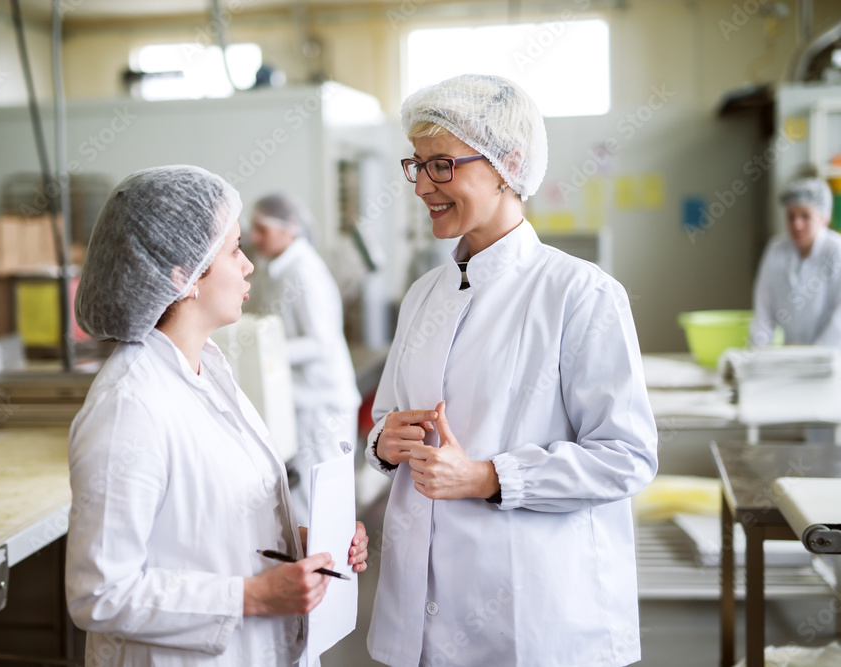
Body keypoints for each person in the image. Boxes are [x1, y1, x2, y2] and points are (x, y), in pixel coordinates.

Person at [364, 74, 658, 667]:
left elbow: (627, 456)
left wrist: (486, 477)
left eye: (442, 165)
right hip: (421, 613)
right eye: (416, 165)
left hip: (534, 620)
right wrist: (384, 443)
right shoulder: (423, 295)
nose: (422, 185)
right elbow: (387, 416)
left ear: (509, 165)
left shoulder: (579, 293)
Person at [66, 166, 368, 666]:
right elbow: (99, 594)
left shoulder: (208, 368)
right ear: (182, 275)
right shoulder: (128, 408)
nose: (248, 266)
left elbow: (211, 526)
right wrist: (254, 596)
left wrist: (305, 543)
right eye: (234, 249)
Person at [248, 193, 361, 524]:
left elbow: (321, 342)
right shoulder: (277, 269)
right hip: (304, 402)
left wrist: (265, 351)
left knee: (319, 502)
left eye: (262, 230)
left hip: (322, 406)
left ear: (290, 228)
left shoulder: (303, 272)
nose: (255, 238)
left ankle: (326, 558)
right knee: (306, 499)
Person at [750, 177, 841, 348]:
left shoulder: (836, 251)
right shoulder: (776, 249)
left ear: (824, 217)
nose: (797, 225)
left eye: (806, 216)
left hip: (833, 354)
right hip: (791, 353)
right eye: (791, 216)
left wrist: (816, 354)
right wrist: (758, 352)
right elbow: (763, 309)